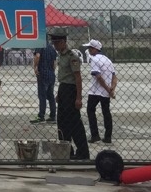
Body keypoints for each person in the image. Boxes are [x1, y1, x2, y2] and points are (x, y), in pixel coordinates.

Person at [50, 29, 89, 160]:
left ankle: (82, 152)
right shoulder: (61, 55)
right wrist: (59, 93)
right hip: (63, 89)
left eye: (56, 43)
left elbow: (77, 78)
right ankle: (66, 150)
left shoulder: (72, 56)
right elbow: (63, 77)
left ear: (63, 42)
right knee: (62, 122)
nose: (55, 45)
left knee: (74, 123)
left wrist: (78, 97)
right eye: (53, 43)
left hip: (71, 90)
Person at [83, 39, 116, 144]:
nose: (89, 50)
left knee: (90, 110)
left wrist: (107, 88)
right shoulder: (108, 60)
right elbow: (114, 77)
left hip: (95, 91)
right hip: (106, 92)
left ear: (94, 49)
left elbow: (98, 76)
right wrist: (111, 89)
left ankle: (95, 135)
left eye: (90, 48)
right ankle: (108, 136)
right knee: (106, 112)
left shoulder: (94, 59)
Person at [31, 36, 58, 124]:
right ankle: (53, 116)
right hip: (51, 74)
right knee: (50, 95)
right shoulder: (52, 48)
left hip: (42, 73)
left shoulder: (40, 45)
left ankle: (41, 116)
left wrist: (35, 67)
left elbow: (37, 56)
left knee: (42, 96)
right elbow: (54, 63)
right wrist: (51, 71)